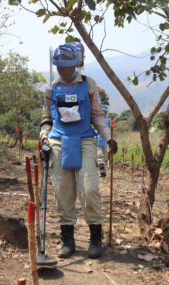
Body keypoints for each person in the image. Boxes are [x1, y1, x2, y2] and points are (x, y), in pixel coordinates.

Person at [40, 42, 118, 259]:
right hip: (58, 142)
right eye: (59, 67)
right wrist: (43, 135)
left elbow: (97, 116)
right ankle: (68, 240)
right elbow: (46, 119)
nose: (63, 71)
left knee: (89, 188)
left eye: (67, 67)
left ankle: (95, 238)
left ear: (76, 65)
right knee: (63, 192)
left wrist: (108, 137)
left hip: (85, 140)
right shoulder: (50, 89)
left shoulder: (89, 85)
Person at [96, 104, 111, 177]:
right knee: (99, 155)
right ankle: (101, 168)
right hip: (97, 139)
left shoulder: (108, 120)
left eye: (104, 112)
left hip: (105, 140)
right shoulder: (96, 119)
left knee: (104, 155)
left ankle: (102, 171)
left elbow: (110, 130)